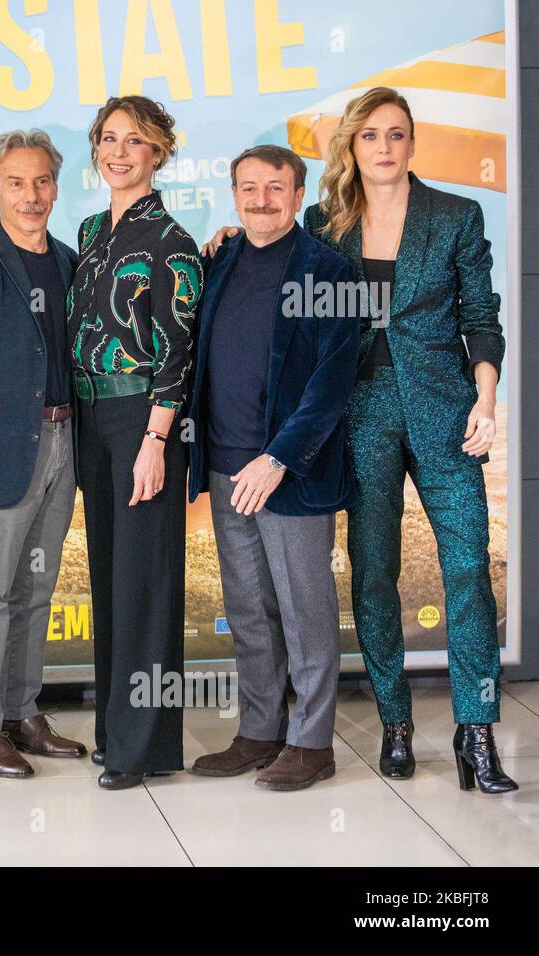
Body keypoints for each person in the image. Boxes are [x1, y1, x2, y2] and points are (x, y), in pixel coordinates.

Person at [307, 88, 514, 792]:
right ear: (352, 146)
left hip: (447, 410)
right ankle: (395, 721)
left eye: (397, 134)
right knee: (371, 573)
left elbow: (482, 318)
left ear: (412, 142)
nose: (385, 147)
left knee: (467, 568)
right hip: (359, 412)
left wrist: (486, 398)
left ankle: (477, 732)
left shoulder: (456, 216)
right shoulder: (323, 224)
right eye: (370, 136)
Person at [186, 145, 359, 791]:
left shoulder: (329, 271)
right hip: (228, 469)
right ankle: (258, 731)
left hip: (290, 475)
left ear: (297, 192)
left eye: (275, 187)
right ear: (234, 195)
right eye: (250, 188)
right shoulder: (219, 260)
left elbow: (331, 382)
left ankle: (312, 744)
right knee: (251, 611)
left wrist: (280, 457)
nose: (262, 199)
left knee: (305, 612)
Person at [69, 95, 202, 790]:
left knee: (146, 584)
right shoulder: (92, 229)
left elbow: (177, 353)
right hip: (91, 424)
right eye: (109, 139)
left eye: (135, 142)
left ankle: (142, 744)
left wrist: (156, 438)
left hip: (142, 425)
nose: (119, 153)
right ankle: (114, 730)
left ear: (159, 152)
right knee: (111, 579)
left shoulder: (171, 240)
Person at [0, 130, 87, 778]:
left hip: (64, 445)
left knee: (37, 587)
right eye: (16, 183)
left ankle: (21, 711)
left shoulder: (71, 262)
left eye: (42, 182)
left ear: (55, 187)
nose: (30, 196)